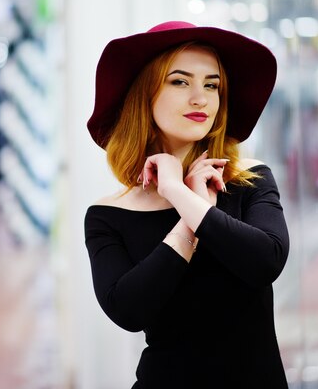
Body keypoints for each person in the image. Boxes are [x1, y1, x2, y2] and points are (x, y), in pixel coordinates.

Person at [84, 21, 290, 387]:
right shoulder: (107, 216)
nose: (201, 98)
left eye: (212, 85)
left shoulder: (250, 180)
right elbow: (129, 310)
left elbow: (265, 261)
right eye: (180, 81)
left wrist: (182, 196)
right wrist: (187, 212)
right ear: (143, 94)